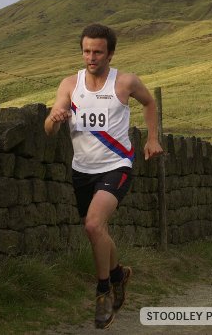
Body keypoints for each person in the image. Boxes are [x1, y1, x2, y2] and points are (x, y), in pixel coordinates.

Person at [44, 23, 163, 329]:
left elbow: (149, 102)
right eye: (86, 51)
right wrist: (55, 119)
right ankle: (118, 274)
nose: (91, 57)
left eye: (97, 52)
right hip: (82, 169)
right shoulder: (70, 84)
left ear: (110, 54)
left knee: (93, 224)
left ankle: (102, 292)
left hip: (117, 165)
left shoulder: (125, 82)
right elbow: (49, 128)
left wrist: (152, 138)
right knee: (99, 231)